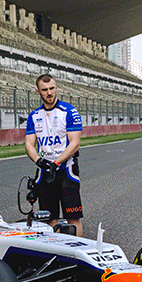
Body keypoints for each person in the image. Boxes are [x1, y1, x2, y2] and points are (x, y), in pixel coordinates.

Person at [25, 73, 84, 236]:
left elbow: (75, 143)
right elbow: (29, 144)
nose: (49, 93)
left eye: (52, 88)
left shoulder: (69, 111)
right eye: (45, 90)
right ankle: (55, 248)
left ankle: (77, 248)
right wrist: (38, 160)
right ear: (38, 91)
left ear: (56, 88)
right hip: (45, 172)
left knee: (73, 218)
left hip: (66, 170)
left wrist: (57, 162)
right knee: (50, 218)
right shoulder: (34, 116)